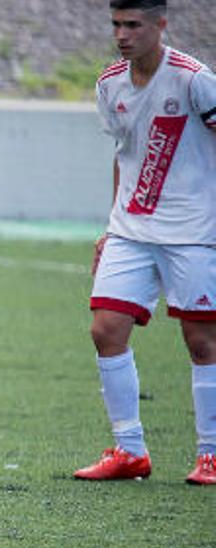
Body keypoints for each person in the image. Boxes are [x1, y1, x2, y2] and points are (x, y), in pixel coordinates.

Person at [75, 0, 216, 486]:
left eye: (133, 24)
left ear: (161, 25)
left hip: (194, 232)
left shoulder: (195, 80)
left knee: (202, 341)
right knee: (105, 329)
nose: (122, 34)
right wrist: (111, 224)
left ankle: (211, 454)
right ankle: (130, 450)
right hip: (131, 231)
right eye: (116, 24)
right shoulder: (109, 83)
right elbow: (125, 153)